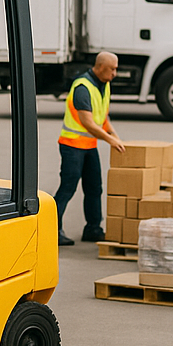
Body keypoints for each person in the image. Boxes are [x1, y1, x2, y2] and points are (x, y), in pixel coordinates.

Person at [55, 52, 125, 246]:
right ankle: (53, 229)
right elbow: (87, 122)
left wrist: (116, 136)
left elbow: (102, 118)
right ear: (100, 67)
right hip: (72, 145)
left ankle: (93, 229)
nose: (115, 73)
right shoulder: (82, 87)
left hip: (89, 145)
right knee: (67, 188)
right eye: (112, 69)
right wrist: (110, 140)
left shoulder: (104, 85)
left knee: (94, 188)